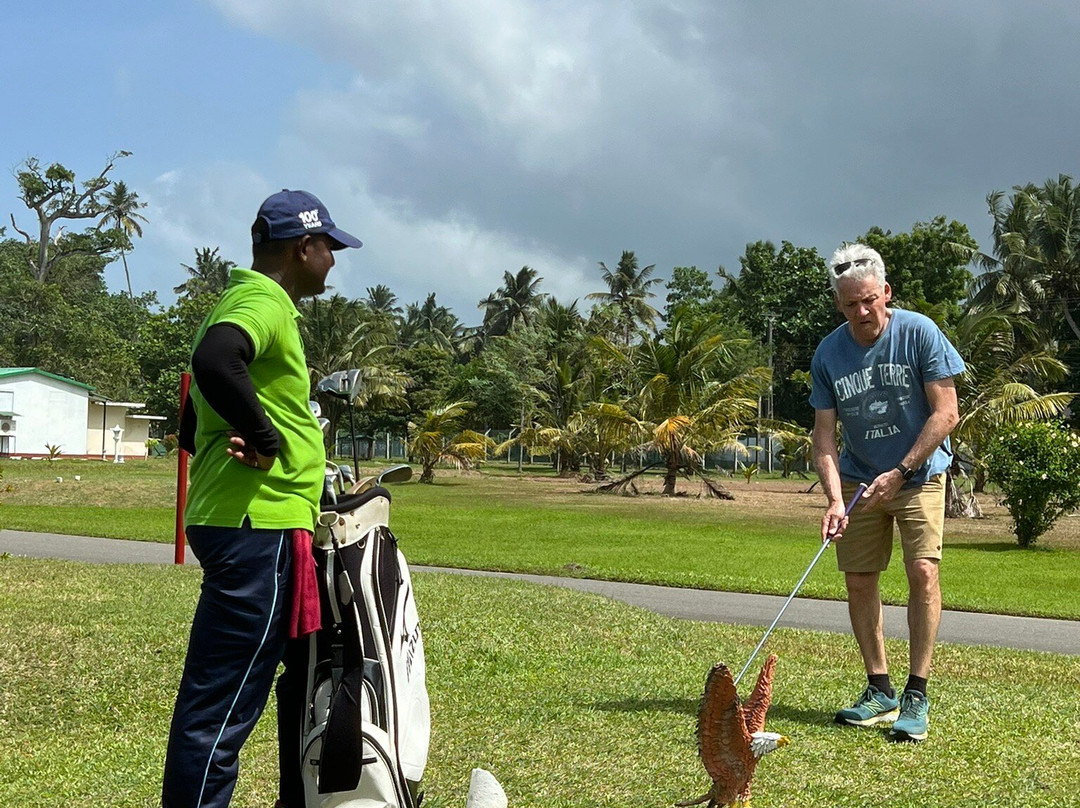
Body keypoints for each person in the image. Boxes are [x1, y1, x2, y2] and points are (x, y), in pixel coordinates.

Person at [163, 189, 362, 807]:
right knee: (218, 714)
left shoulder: (249, 301)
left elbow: (195, 423)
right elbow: (216, 361)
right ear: (303, 247)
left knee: (251, 694)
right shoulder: (261, 300)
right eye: (329, 247)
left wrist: (250, 430)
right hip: (257, 529)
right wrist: (270, 440)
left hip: (252, 522)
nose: (333, 259)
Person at [809, 243, 963, 743]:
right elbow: (825, 437)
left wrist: (901, 469)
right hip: (858, 479)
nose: (862, 312)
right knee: (858, 580)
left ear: (886, 293)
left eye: (869, 300)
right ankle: (880, 689)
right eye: (851, 304)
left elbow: (946, 414)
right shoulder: (828, 354)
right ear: (838, 303)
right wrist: (835, 498)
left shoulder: (919, 332)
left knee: (922, 571)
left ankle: (916, 694)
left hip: (917, 474)